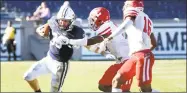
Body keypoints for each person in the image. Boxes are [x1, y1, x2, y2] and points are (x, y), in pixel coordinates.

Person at [59, 7, 133, 92]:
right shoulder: (108, 26)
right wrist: (103, 52)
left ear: (99, 20)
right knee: (103, 85)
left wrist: (72, 41)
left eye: (92, 19)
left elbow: (93, 41)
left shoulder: (106, 26)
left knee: (124, 90)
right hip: (120, 62)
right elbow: (97, 48)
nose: (91, 22)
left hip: (127, 61)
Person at [23, 3, 85, 92]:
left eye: (66, 21)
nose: (62, 23)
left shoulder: (76, 31)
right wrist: (48, 25)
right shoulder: (54, 24)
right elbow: (41, 31)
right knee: (28, 76)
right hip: (48, 59)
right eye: (61, 20)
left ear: (71, 21)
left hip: (60, 65)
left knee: (55, 91)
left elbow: (84, 42)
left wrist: (70, 41)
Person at [102, 0, 158, 92]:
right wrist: (145, 51)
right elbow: (154, 43)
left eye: (126, 5)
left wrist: (110, 37)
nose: (125, 7)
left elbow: (126, 24)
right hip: (136, 56)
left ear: (131, 5)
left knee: (145, 89)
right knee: (117, 80)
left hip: (141, 55)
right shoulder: (146, 19)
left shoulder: (133, 12)